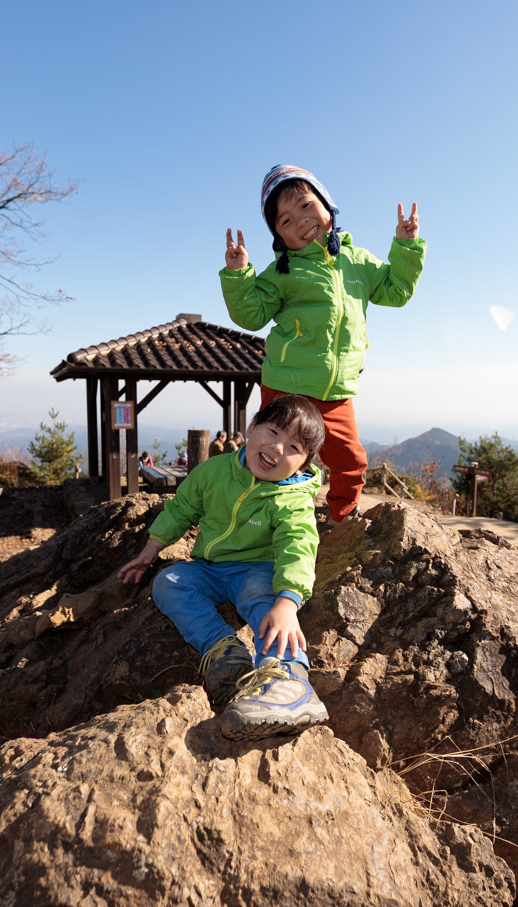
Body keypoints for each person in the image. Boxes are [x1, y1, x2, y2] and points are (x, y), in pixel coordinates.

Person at [221, 164, 425, 526]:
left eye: (304, 205)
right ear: (280, 239)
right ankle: (255, 518)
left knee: (350, 460)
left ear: (327, 206)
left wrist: (406, 247)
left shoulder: (358, 261)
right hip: (288, 385)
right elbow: (251, 316)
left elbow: (396, 291)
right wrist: (239, 275)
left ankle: (341, 522)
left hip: (337, 391)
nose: (299, 221)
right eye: (284, 221)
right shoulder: (283, 272)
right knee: (274, 455)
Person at [116, 394, 328, 740]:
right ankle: (224, 653)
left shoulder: (292, 498)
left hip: (256, 570)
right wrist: (152, 548)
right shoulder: (214, 471)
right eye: (272, 432)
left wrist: (288, 602)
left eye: (293, 447)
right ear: (250, 428)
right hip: (209, 568)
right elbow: (182, 508)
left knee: (265, 602)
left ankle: (290, 682)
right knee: (169, 581)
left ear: (303, 465)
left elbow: (298, 547)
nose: (277, 448)